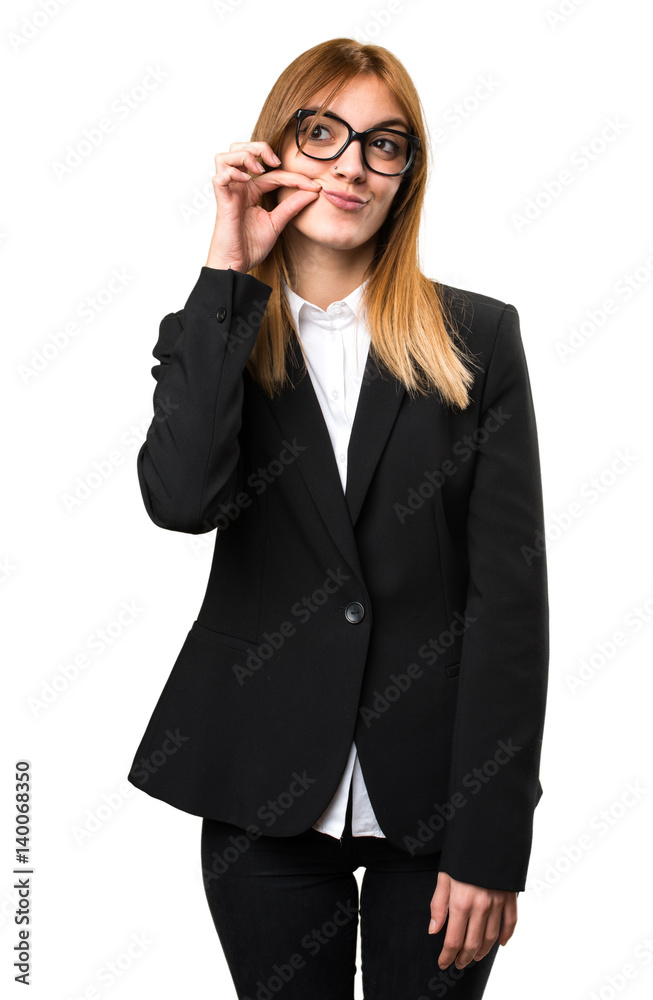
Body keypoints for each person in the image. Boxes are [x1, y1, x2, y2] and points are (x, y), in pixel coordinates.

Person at [127, 37, 549, 1000]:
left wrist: (493, 838)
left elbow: (508, 604)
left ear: (408, 176)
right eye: (324, 134)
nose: (352, 166)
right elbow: (180, 501)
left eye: (384, 144)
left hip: (437, 802)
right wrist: (228, 265)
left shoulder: (476, 340)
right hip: (260, 785)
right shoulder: (212, 332)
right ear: (276, 150)